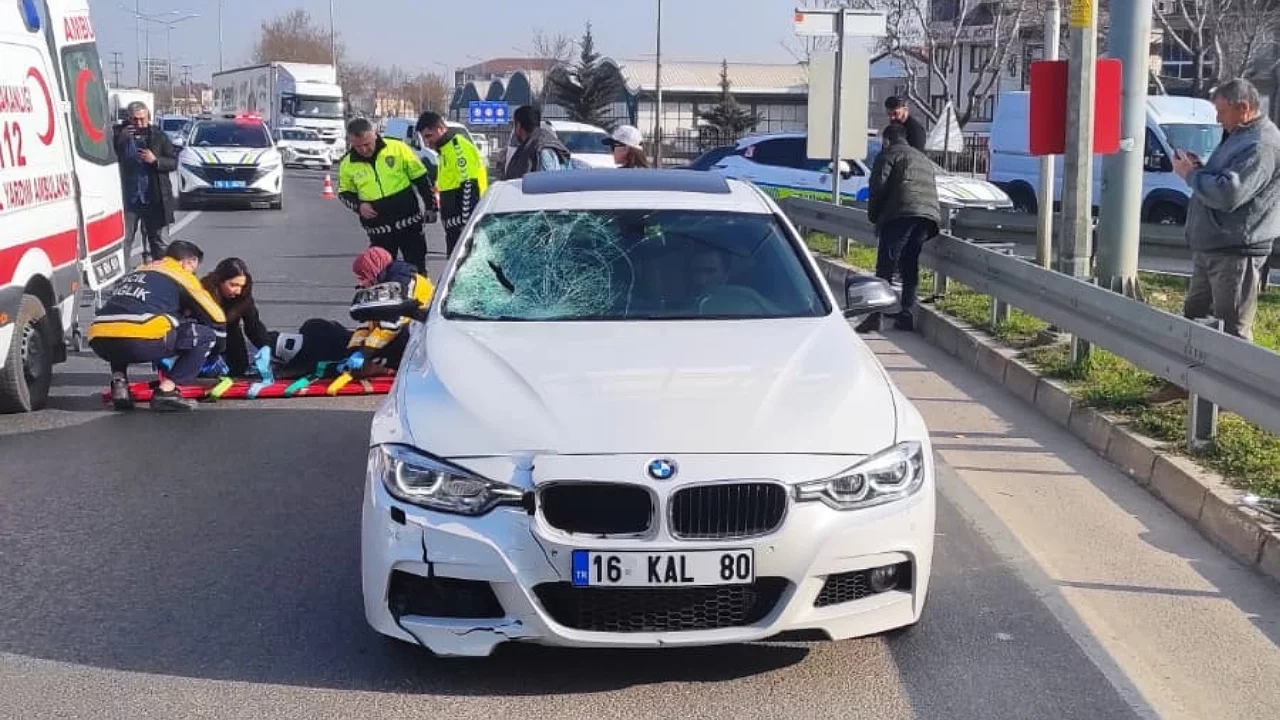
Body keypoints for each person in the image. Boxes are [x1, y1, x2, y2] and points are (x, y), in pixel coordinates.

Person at [1173, 77, 1280, 343]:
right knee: (1195, 318)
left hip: (1236, 252)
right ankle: (1185, 384)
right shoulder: (1240, 136)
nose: (1219, 120)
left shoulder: (1261, 145)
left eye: (1221, 112)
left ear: (1243, 108)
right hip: (1214, 246)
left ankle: (1236, 384)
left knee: (1230, 332)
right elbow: (1222, 179)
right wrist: (1200, 170)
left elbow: (1229, 193)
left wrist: (1190, 176)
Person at [87, 240, 226, 412]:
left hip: (99, 338)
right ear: (187, 262)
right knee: (204, 335)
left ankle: (119, 384)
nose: (194, 274)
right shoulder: (180, 275)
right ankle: (166, 392)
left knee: (121, 327)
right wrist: (215, 353)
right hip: (140, 342)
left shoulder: (138, 271)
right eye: (194, 269)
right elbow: (216, 317)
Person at [861, 123, 942, 333]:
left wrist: (874, 216)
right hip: (927, 217)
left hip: (901, 214)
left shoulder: (889, 154)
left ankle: (875, 315)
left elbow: (877, 186)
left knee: (885, 265)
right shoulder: (922, 158)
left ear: (887, 140)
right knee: (909, 264)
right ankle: (906, 313)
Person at [337, 117, 438, 273]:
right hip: (378, 229)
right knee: (381, 272)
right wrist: (359, 206)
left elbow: (421, 179)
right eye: (357, 146)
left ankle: (421, 297)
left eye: (367, 144)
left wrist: (431, 207)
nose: (363, 150)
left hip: (409, 223)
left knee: (417, 269)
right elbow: (344, 193)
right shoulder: (347, 164)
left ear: (375, 135)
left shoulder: (397, 148)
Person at [341, 247, 436, 375]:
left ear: (373, 270)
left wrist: (365, 353)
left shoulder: (403, 282)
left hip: (424, 332)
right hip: (403, 330)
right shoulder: (379, 285)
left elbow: (392, 323)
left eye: (363, 276)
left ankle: (391, 368)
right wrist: (353, 350)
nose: (360, 282)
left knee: (398, 335)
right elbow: (367, 323)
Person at [415, 112, 489, 257]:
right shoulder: (445, 150)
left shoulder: (457, 148)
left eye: (429, 136)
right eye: (424, 138)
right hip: (453, 226)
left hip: (461, 227)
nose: (427, 142)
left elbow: (469, 185)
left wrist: (465, 225)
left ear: (440, 128)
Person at [114, 101, 178, 264]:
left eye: (143, 119)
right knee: (124, 242)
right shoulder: (118, 135)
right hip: (128, 200)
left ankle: (161, 278)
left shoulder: (158, 136)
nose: (139, 123)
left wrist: (156, 160)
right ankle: (123, 280)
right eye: (135, 119)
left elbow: (173, 162)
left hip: (154, 199)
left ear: (149, 117)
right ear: (128, 119)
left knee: (159, 242)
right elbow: (108, 156)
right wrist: (121, 139)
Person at [200, 258, 272, 377]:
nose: (238, 291)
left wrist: (265, 346)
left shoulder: (243, 296)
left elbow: (253, 325)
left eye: (241, 286)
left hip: (230, 333)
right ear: (220, 281)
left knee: (239, 368)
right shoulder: (203, 292)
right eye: (233, 285)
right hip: (205, 336)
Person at [503, 105, 572, 180]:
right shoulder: (529, 147)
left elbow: (548, 183)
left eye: (514, 125)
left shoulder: (543, 151)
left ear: (518, 125)